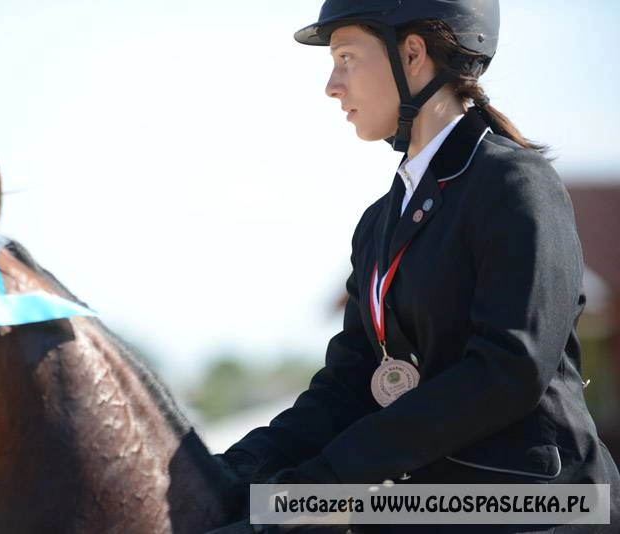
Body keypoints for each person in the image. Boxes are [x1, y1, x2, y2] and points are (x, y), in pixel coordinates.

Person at [217, 1, 620, 532]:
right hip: (426, 502)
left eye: (345, 58)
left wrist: (325, 483)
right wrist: (231, 469)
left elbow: (508, 371)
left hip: (537, 506)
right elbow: (348, 386)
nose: (332, 85)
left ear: (411, 54)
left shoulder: (517, 186)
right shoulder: (378, 222)